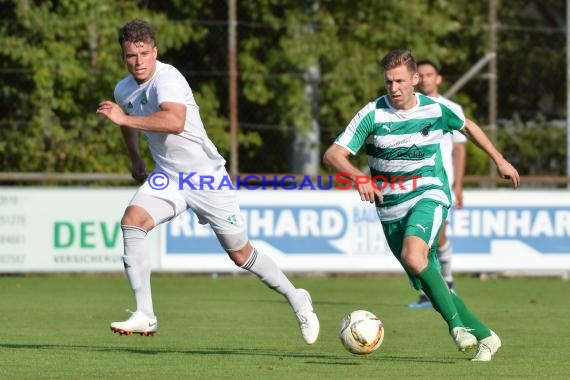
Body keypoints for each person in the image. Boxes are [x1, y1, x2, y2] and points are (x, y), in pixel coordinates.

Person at [96, 19, 319, 344]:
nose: (139, 61)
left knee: (241, 255)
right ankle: (145, 314)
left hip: (205, 178)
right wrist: (135, 156)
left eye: (144, 53)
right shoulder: (123, 89)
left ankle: (297, 297)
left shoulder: (167, 78)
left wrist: (123, 117)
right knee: (132, 223)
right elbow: (126, 121)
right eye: (131, 55)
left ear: (155, 51)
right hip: (169, 177)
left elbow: (174, 121)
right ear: (123, 57)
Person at [323, 50, 519, 361]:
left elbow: (468, 127)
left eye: (400, 80)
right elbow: (333, 154)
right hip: (390, 209)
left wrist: (499, 159)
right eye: (389, 81)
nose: (394, 87)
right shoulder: (372, 114)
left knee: (414, 256)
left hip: (430, 192)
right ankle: (486, 336)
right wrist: (360, 178)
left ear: (415, 80)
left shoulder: (436, 109)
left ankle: (457, 329)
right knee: (428, 279)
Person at [408, 59, 467, 308]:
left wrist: (459, 185)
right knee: (421, 240)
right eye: (420, 75)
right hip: (413, 184)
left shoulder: (450, 108)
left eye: (429, 74)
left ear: (438, 78)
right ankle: (438, 286)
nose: (425, 79)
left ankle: (446, 281)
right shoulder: (410, 109)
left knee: (436, 234)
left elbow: (460, 151)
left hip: (440, 183)